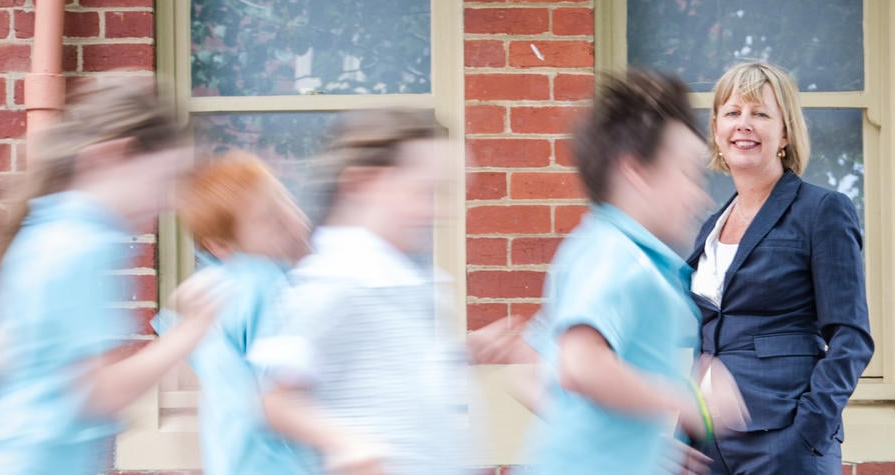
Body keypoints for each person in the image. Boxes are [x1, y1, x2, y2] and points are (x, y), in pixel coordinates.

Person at [0, 80, 229, 475]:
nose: (168, 200)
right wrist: (191, 330)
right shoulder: (84, 244)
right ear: (113, 156)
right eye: (164, 179)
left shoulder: (45, 227)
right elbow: (98, 393)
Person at [508, 69, 748, 475]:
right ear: (636, 172)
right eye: (689, 173)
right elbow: (581, 366)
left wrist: (639, 444)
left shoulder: (615, 252)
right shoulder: (613, 254)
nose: (702, 195)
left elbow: (531, 366)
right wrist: (688, 401)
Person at [247, 108, 471, 475]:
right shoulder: (333, 280)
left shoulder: (408, 279)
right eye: (423, 191)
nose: (439, 210)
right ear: (361, 184)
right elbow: (276, 400)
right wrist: (347, 442)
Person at [687, 62, 874, 474]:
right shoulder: (709, 227)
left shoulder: (822, 210)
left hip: (784, 439)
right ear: (717, 129)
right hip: (707, 446)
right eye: (732, 113)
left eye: (761, 113)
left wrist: (809, 429)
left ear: (785, 134)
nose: (744, 125)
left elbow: (851, 337)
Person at [151, 150, 312, 474]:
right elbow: (287, 389)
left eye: (282, 198)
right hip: (279, 463)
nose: (285, 216)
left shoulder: (212, 287)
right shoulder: (263, 283)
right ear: (220, 245)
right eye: (268, 218)